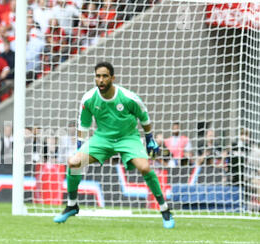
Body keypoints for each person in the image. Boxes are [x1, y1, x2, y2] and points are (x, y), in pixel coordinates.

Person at [53, 62, 175, 228]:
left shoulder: (127, 97)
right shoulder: (89, 99)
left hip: (128, 138)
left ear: (112, 78)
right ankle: (72, 204)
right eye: (98, 76)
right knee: (74, 163)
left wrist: (149, 138)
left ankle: (164, 209)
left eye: (104, 76)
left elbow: (144, 117)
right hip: (102, 139)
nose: (101, 80)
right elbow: (84, 125)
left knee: (145, 168)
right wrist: (81, 146)